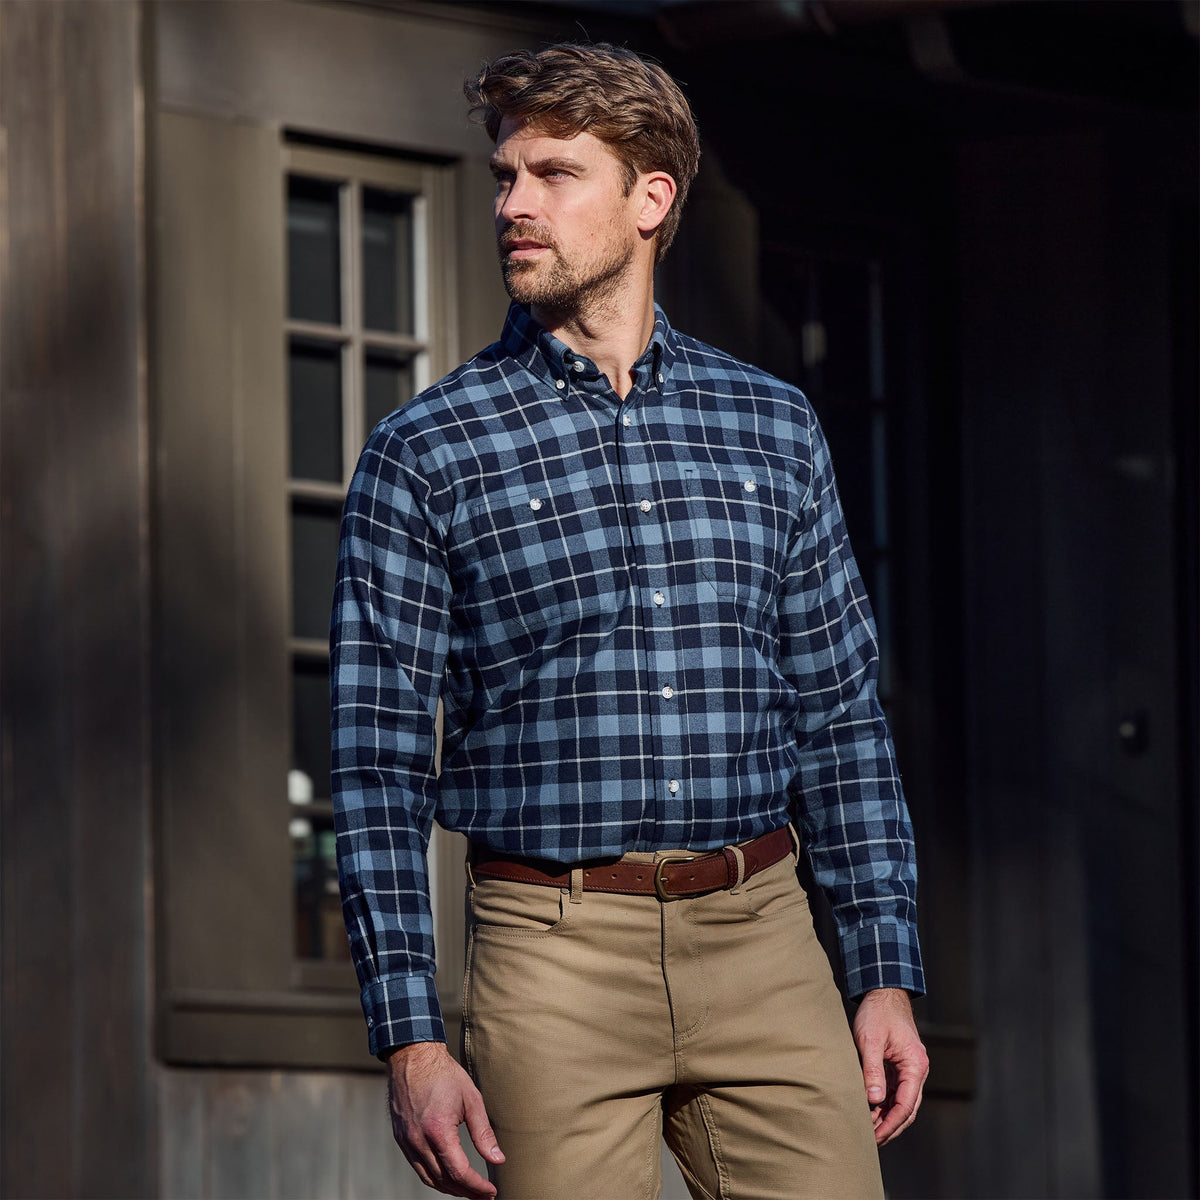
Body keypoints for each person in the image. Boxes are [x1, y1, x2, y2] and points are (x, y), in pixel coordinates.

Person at [331, 41, 928, 1200]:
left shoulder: (773, 428)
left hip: (764, 938)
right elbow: (377, 765)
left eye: (554, 174)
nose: (514, 205)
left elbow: (840, 716)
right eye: (506, 176)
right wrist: (410, 1040)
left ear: (650, 199)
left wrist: (883, 970)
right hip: (550, 952)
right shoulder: (427, 450)